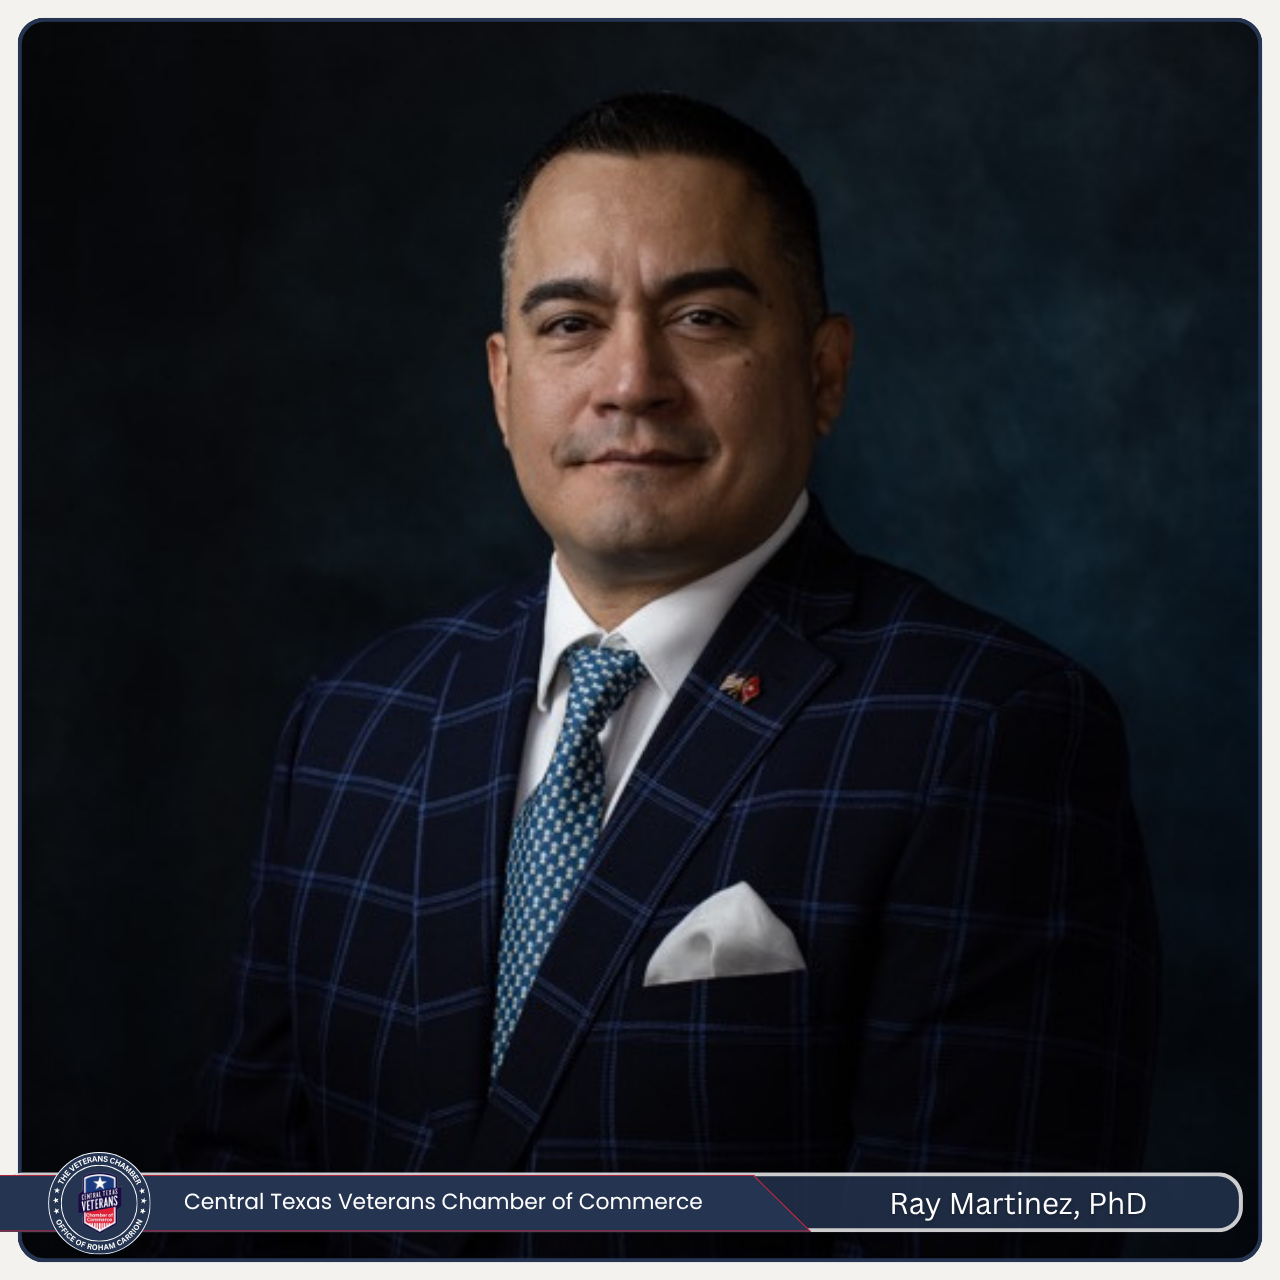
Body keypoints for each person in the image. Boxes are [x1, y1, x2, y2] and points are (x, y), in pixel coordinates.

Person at [176, 92, 1160, 1259]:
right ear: (502, 383)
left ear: (822, 371)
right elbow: (237, 1194)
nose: (629, 380)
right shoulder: (351, 722)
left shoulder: (989, 727)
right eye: (568, 323)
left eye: (700, 317)